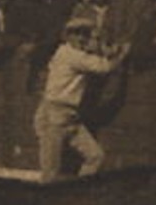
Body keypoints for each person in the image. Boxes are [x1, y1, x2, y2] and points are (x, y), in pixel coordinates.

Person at [35, 16, 124, 182]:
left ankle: (79, 190)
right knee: (50, 173)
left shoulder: (68, 52)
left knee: (96, 157)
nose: (81, 38)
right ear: (67, 36)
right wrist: (121, 54)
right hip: (54, 116)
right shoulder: (71, 54)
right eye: (76, 34)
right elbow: (104, 67)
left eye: (85, 34)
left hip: (70, 118)